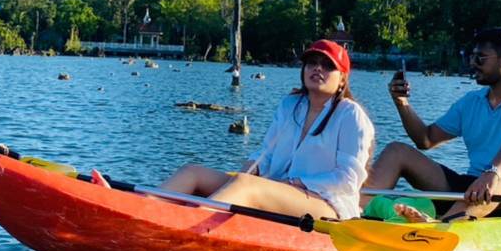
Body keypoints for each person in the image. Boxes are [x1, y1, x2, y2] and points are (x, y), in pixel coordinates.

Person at [159, 39, 373, 220]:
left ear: (342, 78)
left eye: (327, 65)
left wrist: (295, 183)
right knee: (193, 172)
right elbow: (266, 155)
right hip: (276, 189)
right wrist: (251, 168)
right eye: (312, 63)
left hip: (327, 204)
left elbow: (348, 180)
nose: (317, 68)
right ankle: (144, 213)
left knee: (247, 185)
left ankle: (186, 226)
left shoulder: (351, 115)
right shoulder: (290, 105)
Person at [365, 26, 501, 222]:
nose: (473, 63)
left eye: (481, 58)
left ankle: (441, 228)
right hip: (475, 188)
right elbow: (426, 139)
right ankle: (354, 213)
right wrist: (401, 103)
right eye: (471, 57)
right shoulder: (471, 102)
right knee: (397, 151)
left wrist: (494, 172)